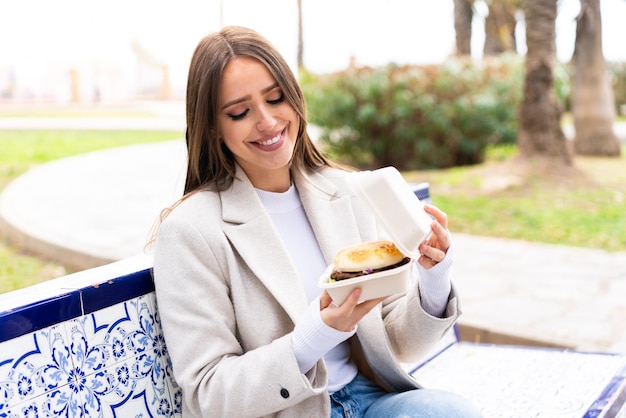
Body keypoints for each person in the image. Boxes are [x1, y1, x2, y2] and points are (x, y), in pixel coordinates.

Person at [152, 25, 483, 418]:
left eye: (276, 98)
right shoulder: (191, 231)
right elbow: (209, 392)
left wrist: (434, 276)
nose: (267, 121)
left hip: (369, 399)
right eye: (240, 112)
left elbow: (397, 343)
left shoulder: (344, 192)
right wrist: (315, 334)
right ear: (212, 127)